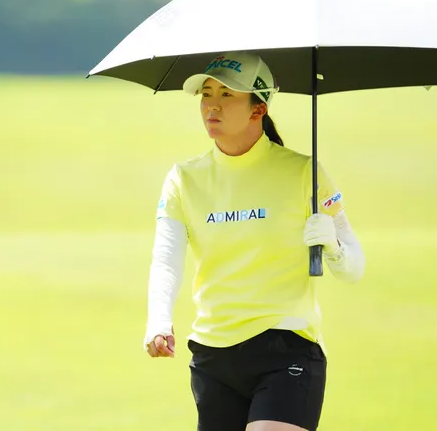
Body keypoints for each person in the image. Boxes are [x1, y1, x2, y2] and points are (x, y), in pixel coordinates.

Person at [142, 51, 366, 431]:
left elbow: (354, 268)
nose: (212, 105)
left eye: (227, 95)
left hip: (287, 350)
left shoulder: (305, 173)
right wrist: (159, 320)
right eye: (206, 94)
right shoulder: (183, 178)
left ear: (258, 110)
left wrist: (334, 247)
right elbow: (167, 259)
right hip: (212, 356)